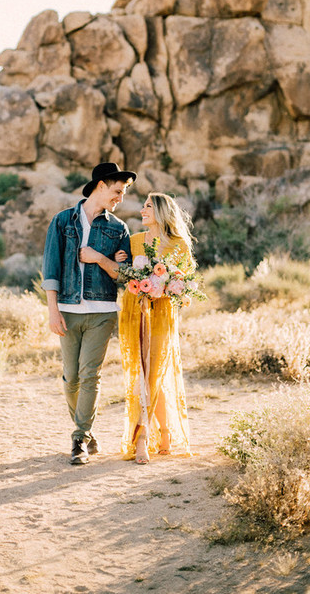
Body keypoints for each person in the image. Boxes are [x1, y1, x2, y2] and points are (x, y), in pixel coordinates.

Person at [42, 162, 136, 465]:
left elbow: (125, 277)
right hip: (68, 312)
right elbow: (51, 267)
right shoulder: (62, 221)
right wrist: (52, 310)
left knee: (89, 375)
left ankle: (79, 438)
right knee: (70, 379)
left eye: (123, 193)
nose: (120, 198)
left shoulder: (118, 228)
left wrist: (99, 258)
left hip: (102, 312)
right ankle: (88, 432)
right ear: (100, 185)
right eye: (117, 191)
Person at [118, 192, 195, 464]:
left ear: (161, 211)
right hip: (134, 312)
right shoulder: (134, 241)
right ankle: (151, 434)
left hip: (163, 316)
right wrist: (121, 262)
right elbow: (124, 273)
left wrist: (167, 289)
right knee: (140, 374)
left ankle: (149, 435)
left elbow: (185, 286)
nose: (142, 210)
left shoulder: (178, 245)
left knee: (156, 374)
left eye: (148, 206)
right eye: (143, 206)